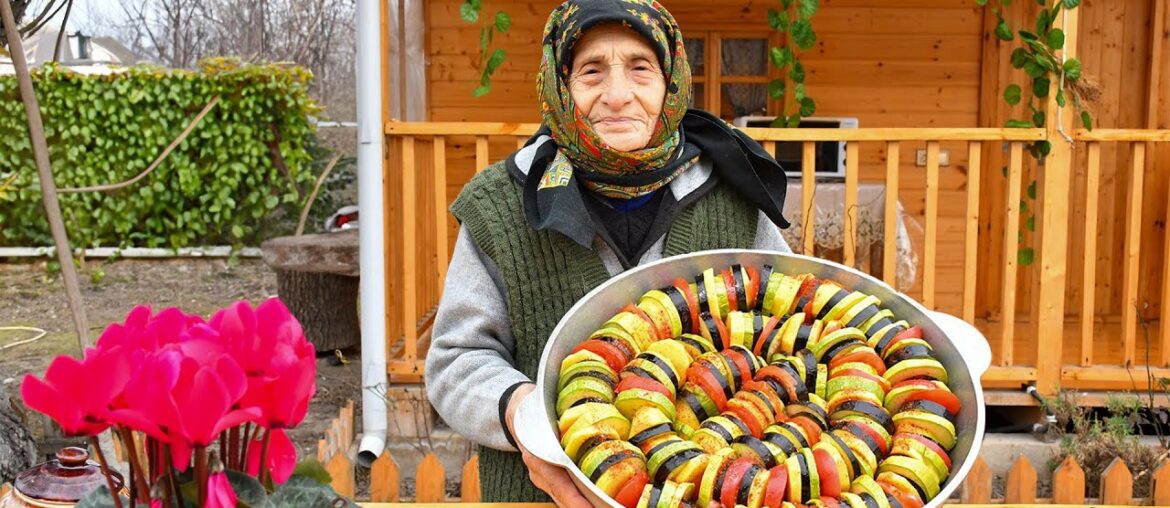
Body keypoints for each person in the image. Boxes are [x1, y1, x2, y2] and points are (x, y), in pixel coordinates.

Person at [424, 0, 793, 504]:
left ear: (671, 83)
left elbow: (793, 330)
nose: (617, 96)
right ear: (561, 86)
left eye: (641, 69)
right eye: (592, 71)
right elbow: (457, 358)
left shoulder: (735, 197)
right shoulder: (501, 207)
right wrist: (523, 416)